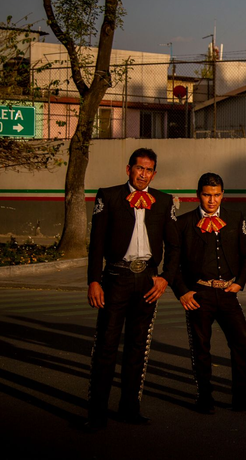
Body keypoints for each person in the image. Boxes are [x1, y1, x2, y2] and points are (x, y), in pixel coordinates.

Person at [85, 148, 176, 432]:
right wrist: (94, 280)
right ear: (128, 169)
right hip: (116, 278)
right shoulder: (108, 196)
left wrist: (165, 279)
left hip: (148, 280)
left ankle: (129, 409)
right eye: (139, 168)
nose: (143, 174)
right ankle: (96, 414)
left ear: (154, 173)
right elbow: (96, 243)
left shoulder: (164, 201)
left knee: (138, 347)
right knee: (106, 346)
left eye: (148, 170)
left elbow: (175, 246)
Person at [163, 172, 246, 415]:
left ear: (223, 195)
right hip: (199, 294)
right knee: (201, 346)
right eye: (207, 195)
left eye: (217, 195)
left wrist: (239, 283)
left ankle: (242, 397)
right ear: (198, 195)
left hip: (228, 293)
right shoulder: (183, 223)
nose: (212, 200)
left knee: (243, 340)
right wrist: (183, 292)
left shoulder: (235, 217)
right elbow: (172, 264)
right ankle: (205, 397)